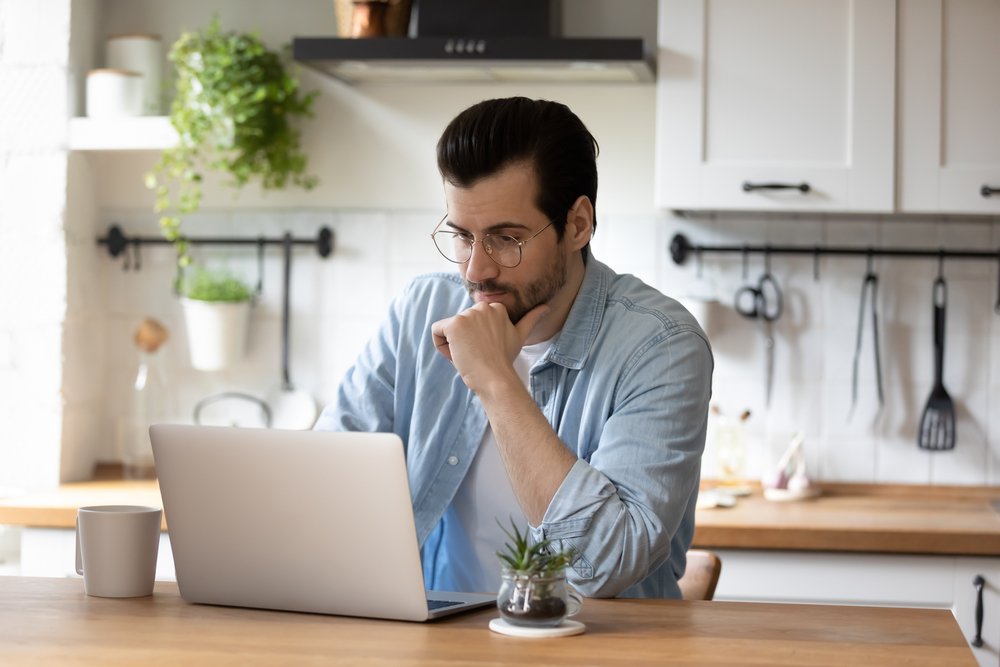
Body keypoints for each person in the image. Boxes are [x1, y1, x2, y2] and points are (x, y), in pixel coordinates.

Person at [315, 97, 713, 599]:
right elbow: (324, 478)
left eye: (506, 238)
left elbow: (607, 563)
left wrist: (496, 382)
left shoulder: (662, 346)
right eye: (462, 235)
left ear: (577, 225)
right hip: (440, 644)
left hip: (594, 649)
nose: (476, 270)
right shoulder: (422, 307)